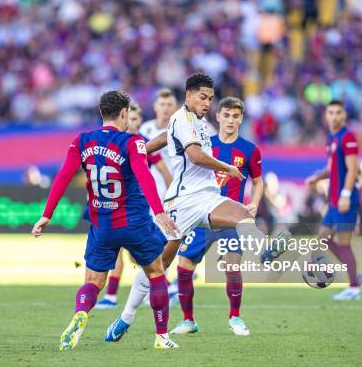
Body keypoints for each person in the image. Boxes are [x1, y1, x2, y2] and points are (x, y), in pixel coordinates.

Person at [105, 73, 267, 342]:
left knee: (242, 214)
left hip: (208, 196)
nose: (207, 103)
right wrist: (227, 167)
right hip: (182, 202)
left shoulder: (199, 123)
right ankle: (126, 317)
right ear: (189, 95)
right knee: (158, 264)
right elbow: (194, 155)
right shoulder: (182, 119)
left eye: (210, 99)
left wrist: (137, 150)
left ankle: (267, 249)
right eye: (203, 98)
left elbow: (160, 141)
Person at [32, 90, 180, 350]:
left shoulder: (82, 141)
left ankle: (81, 314)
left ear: (102, 113)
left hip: (103, 225)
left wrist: (47, 214)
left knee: (93, 282)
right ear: (124, 113)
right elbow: (145, 177)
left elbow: (63, 176)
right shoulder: (131, 142)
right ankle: (161, 337)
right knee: (157, 274)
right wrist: (158, 211)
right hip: (135, 224)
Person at [170, 97, 263, 336]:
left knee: (232, 265)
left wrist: (254, 202)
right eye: (226, 115)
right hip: (202, 214)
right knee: (184, 265)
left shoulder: (249, 150)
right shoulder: (204, 145)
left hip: (229, 216)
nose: (230, 120)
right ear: (218, 117)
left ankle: (235, 317)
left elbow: (258, 181)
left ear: (241, 119)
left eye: (235, 116)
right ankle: (188, 320)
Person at [95, 102, 173, 309]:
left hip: (138, 205)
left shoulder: (143, 143)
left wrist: (170, 198)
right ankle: (113, 295)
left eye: (137, 119)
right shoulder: (113, 143)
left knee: (136, 253)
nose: (132, 122)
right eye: (131, 118)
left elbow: (163, 171)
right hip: (117, 204)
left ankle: (165, 284)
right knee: (122, 250)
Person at [304, 100, 362, 300]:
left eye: (338, 112)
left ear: (344, 115)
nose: (335, 116)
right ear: (326, 115)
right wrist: (317, 177)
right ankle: (353, 274)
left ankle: (354, 287)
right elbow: (332, 168)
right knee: (323, 238)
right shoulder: (332, 138)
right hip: (334, 202)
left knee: (343, 243)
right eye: (331, 112)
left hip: (345, 199)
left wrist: (346, 194)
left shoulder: (347, 137)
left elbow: (353, 168)